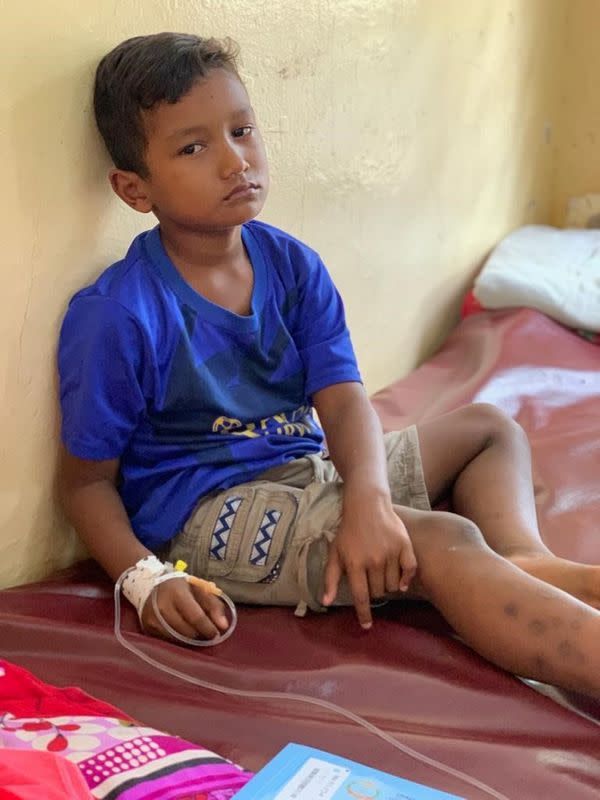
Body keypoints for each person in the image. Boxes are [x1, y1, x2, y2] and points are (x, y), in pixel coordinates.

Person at [58, 32, 600, 696]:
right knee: (440, 541)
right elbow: (85, 487)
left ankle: (524, 560)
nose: (235, 162)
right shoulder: (118, 313)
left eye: (242, 130)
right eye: (194, 147)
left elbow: (343, 401)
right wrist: (147, 579)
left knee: (488, 427)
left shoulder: (290, 266)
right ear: (134, 188)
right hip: (208, 512)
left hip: (307, 470)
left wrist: (366, 497)